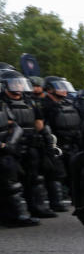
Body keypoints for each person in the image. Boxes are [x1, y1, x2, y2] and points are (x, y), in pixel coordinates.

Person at [0, 67, 57, 219]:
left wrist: (46, 142)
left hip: (30, 145)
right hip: (10, 147)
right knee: (11, 182)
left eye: (20, 83)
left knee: (34, 178)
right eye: (14, 83)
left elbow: (39, 123)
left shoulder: (29, 101)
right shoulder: (2, 101)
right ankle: (14, 214)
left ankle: (37, 207)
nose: (18, 86)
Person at [0, 65, 39, 227]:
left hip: (7, 150)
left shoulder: (2, 104)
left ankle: (16, 216)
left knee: (12, 183)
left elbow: (13, 125)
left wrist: (9, 144)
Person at [40, 76, 82, 211]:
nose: (64, 90)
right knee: (56, 174)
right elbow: (43, 125)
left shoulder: (68, 103)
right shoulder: (44, 105)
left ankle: (76, 199)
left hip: (71, 143)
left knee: (74, 172)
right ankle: (56, 202)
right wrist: (49, 144)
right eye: (59, 87)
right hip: (55, 144)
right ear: (50, 89)